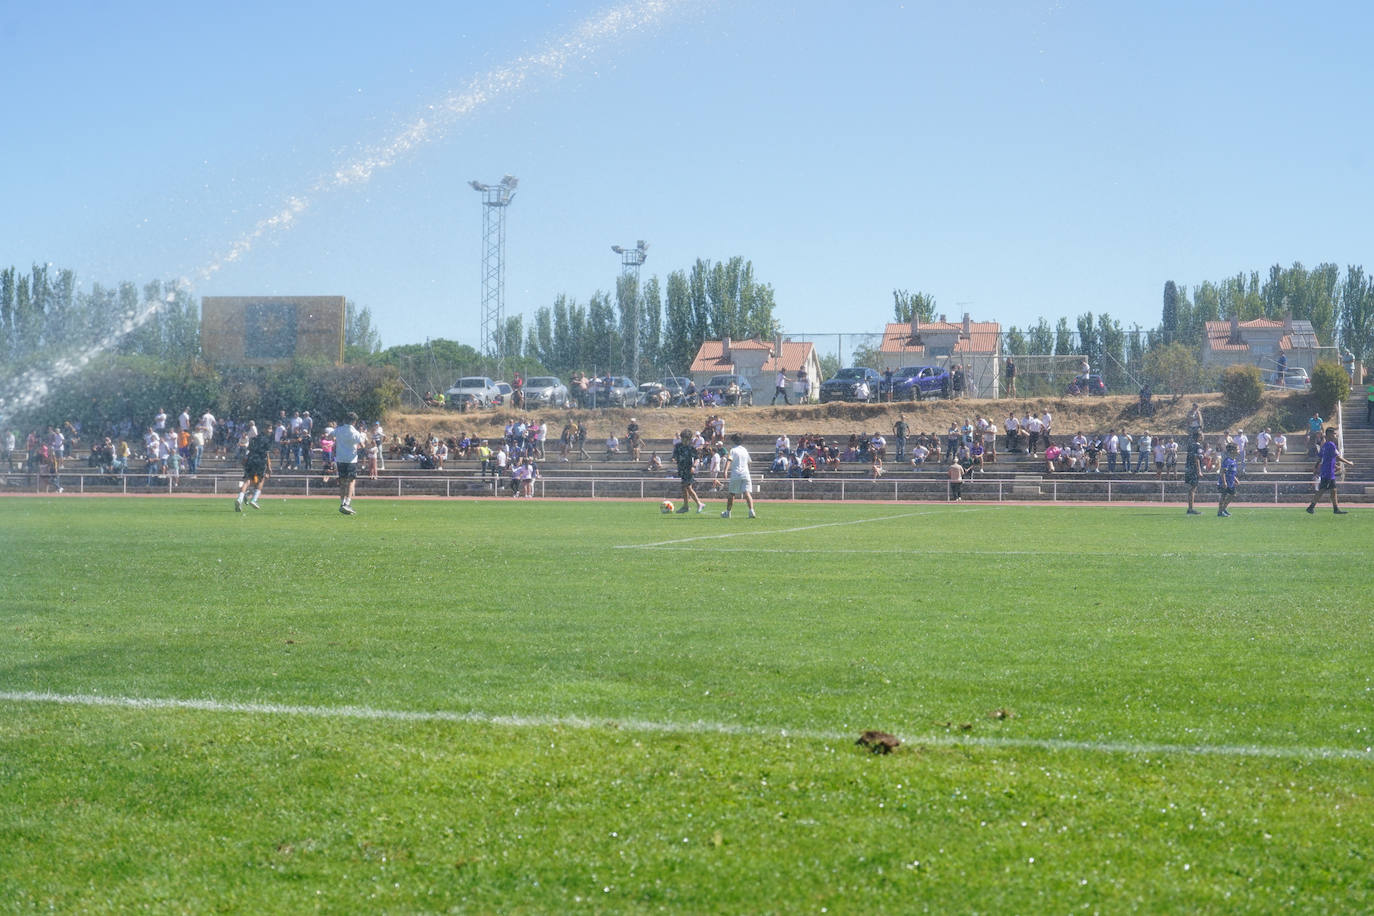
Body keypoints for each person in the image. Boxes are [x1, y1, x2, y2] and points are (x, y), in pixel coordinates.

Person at [1306, 426, 1354, 515]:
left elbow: (1322, 458)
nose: (1335, 435)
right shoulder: (1331, 445)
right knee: (1322, 490)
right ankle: (1311, 507)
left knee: (1333, 490)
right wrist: (1349, 463)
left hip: (1328, 471)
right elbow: (1337, 457)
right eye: (1334, 433)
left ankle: (1335, 509)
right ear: (1329, 434)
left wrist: (1317, 467)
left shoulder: (1324, 446)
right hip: (1328, 472)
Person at [332, 412, 368, 516]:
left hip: (340, 458)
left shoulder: (339, 429)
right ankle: (347, 503)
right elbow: (362, 445)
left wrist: (339, 441)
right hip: (351, 459)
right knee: (351, 481)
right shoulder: (355, 432)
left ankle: (342, 503)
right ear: (354, 421)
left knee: (342, 481)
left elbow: (330, 436)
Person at [233, 421, 273, 511]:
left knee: (248, 480)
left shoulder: (254, 439)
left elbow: (249, 451)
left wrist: (245, 460)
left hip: (251, 461)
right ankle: (254, 499)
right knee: (261, 480)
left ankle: (240, 498)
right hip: (260, 462)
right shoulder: (267, 440)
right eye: (269, 428)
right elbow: (267, 455)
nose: (270, 431)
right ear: (264, 429)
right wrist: (269, 466)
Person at [720, 433, 756, 519]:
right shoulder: (744, 450)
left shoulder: (733, 450)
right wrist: (747, 472)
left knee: (732, 494)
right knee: (747, 493)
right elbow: (749, 462)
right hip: (745, 474)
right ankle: (751, 511)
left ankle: (728, 513)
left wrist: (725, 471)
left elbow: (729, 460)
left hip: (736, 474)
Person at [672, 428, 705, 514]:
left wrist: (694, 466)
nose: (683, 440)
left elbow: (697, 459)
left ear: (689, 439)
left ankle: (698, 503)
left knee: (688, 487)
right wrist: (674, 459)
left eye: (685, 439)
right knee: (684, 487)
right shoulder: (678, 446)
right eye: (682, 438)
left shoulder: (691, 448)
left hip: (689, 470)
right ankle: (686, 506)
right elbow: (674, 456)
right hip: (681, 469)